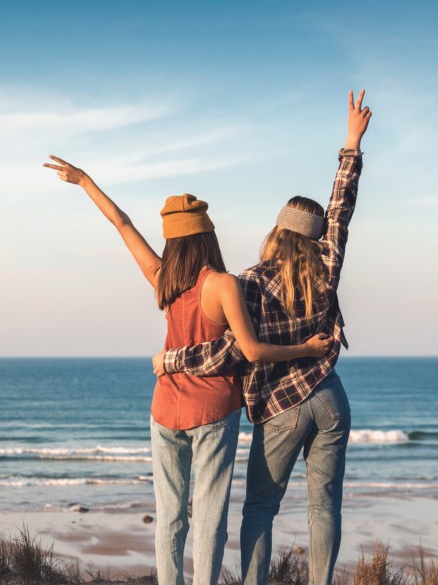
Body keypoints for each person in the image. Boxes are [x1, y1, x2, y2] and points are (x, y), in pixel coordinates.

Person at [44, 156, 331, 585]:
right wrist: (305, 347)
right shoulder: (223, 283)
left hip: (165, 409)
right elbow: (251, 351)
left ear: (173, 240)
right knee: (210, 515)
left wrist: (84, 181)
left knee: (170, 516)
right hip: (214, 410)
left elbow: (122, 224)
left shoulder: (161, 277)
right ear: (208, 236)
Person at [154, 89, 372, 585]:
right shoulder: (328, 266)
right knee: (325, 506)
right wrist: (351, 144)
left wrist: (173, 361)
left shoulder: (249, 282)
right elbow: (341, 209)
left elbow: (232, 351)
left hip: (282, 407)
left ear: (277, 232)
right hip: (331, 396)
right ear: (314, 238)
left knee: (260, 510)